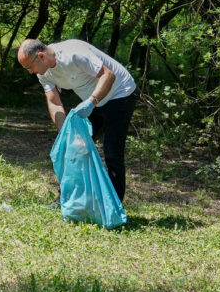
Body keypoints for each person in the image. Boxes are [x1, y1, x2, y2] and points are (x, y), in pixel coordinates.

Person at [17, 37, 138, 202]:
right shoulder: (43, 72)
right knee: (72, 147)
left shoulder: (74, 54)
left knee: (112, 152)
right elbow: (54, 102)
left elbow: (108, 75)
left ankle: (113, 206)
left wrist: (91, 102)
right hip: (94, 99)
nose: (30, 72)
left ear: (41, 56)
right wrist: (65, 133)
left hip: (120, 93)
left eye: (29, 67)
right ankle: (65, 199)